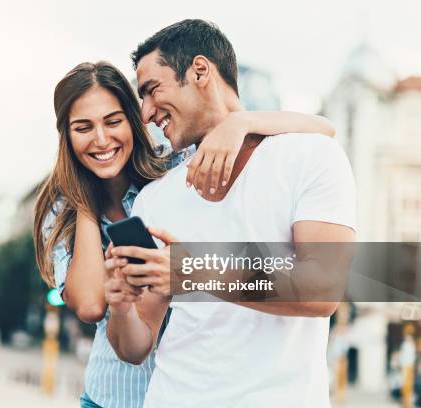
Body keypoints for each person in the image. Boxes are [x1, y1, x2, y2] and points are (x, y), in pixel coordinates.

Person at [33, 61, 337, 408]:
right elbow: (89, 305)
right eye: (83, 128)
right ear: (67, 137)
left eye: (113, 121)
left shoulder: (174, 171)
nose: (101, 139)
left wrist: (240, 122)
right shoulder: (61, 209)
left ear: (134, 121)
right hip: (114, 396)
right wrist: (84, 198)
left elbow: (323, 128)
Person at [104, 19, 356, 407]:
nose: (147, 113)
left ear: (200, 71)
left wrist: (191, 268)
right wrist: (121, 308)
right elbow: (137, 346)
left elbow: (322, 288)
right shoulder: (154, 199)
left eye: (152, 91)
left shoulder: (310, 157)